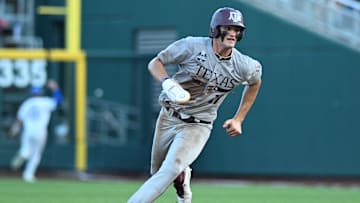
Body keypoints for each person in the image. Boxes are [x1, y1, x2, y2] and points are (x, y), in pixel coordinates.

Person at [128, 7, 262, 203]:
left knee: (170, 168)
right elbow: (155, 63)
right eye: (228, 27)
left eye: (237, 29)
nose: (233, 33)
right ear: (215, 29)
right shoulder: (192, 46)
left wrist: (239, 118)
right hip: (168, 116)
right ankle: (182, 181)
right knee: (157, 173)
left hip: (198, 124)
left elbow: (255, 81)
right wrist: (167, 82)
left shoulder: (243, 65)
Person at [9, 79, 63, 182]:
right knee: (36, 154)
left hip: (28, 131)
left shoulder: (27, 103)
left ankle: (24, 153)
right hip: (40, 131)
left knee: (26, 148)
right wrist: (55, 88)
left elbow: (19, 119)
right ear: (41, 93)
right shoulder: (45, 102)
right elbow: (59, 101)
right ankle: (28, 175)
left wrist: (14, 129)